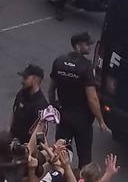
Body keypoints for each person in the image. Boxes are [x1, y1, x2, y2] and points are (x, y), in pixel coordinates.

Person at [50, 31, 104, 166]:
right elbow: (92, 99)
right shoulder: (86, 67)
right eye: (87, 45)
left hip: (64, 115)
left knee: (61, 153)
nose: (89, 47)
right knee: (84, 157)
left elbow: (51, 89)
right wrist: (101, 120)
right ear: (78, 46)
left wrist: (55, 105)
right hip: (82, 120)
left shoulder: (59, 61)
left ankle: (61, 176)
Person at [9, 64, 51, 143]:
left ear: (35, 79)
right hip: (12, 140)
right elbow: (14, 113)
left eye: (25, 78)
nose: (22, 81)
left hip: (26, 146)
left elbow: (40, 134)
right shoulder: (21, 93)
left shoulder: (41, 106)